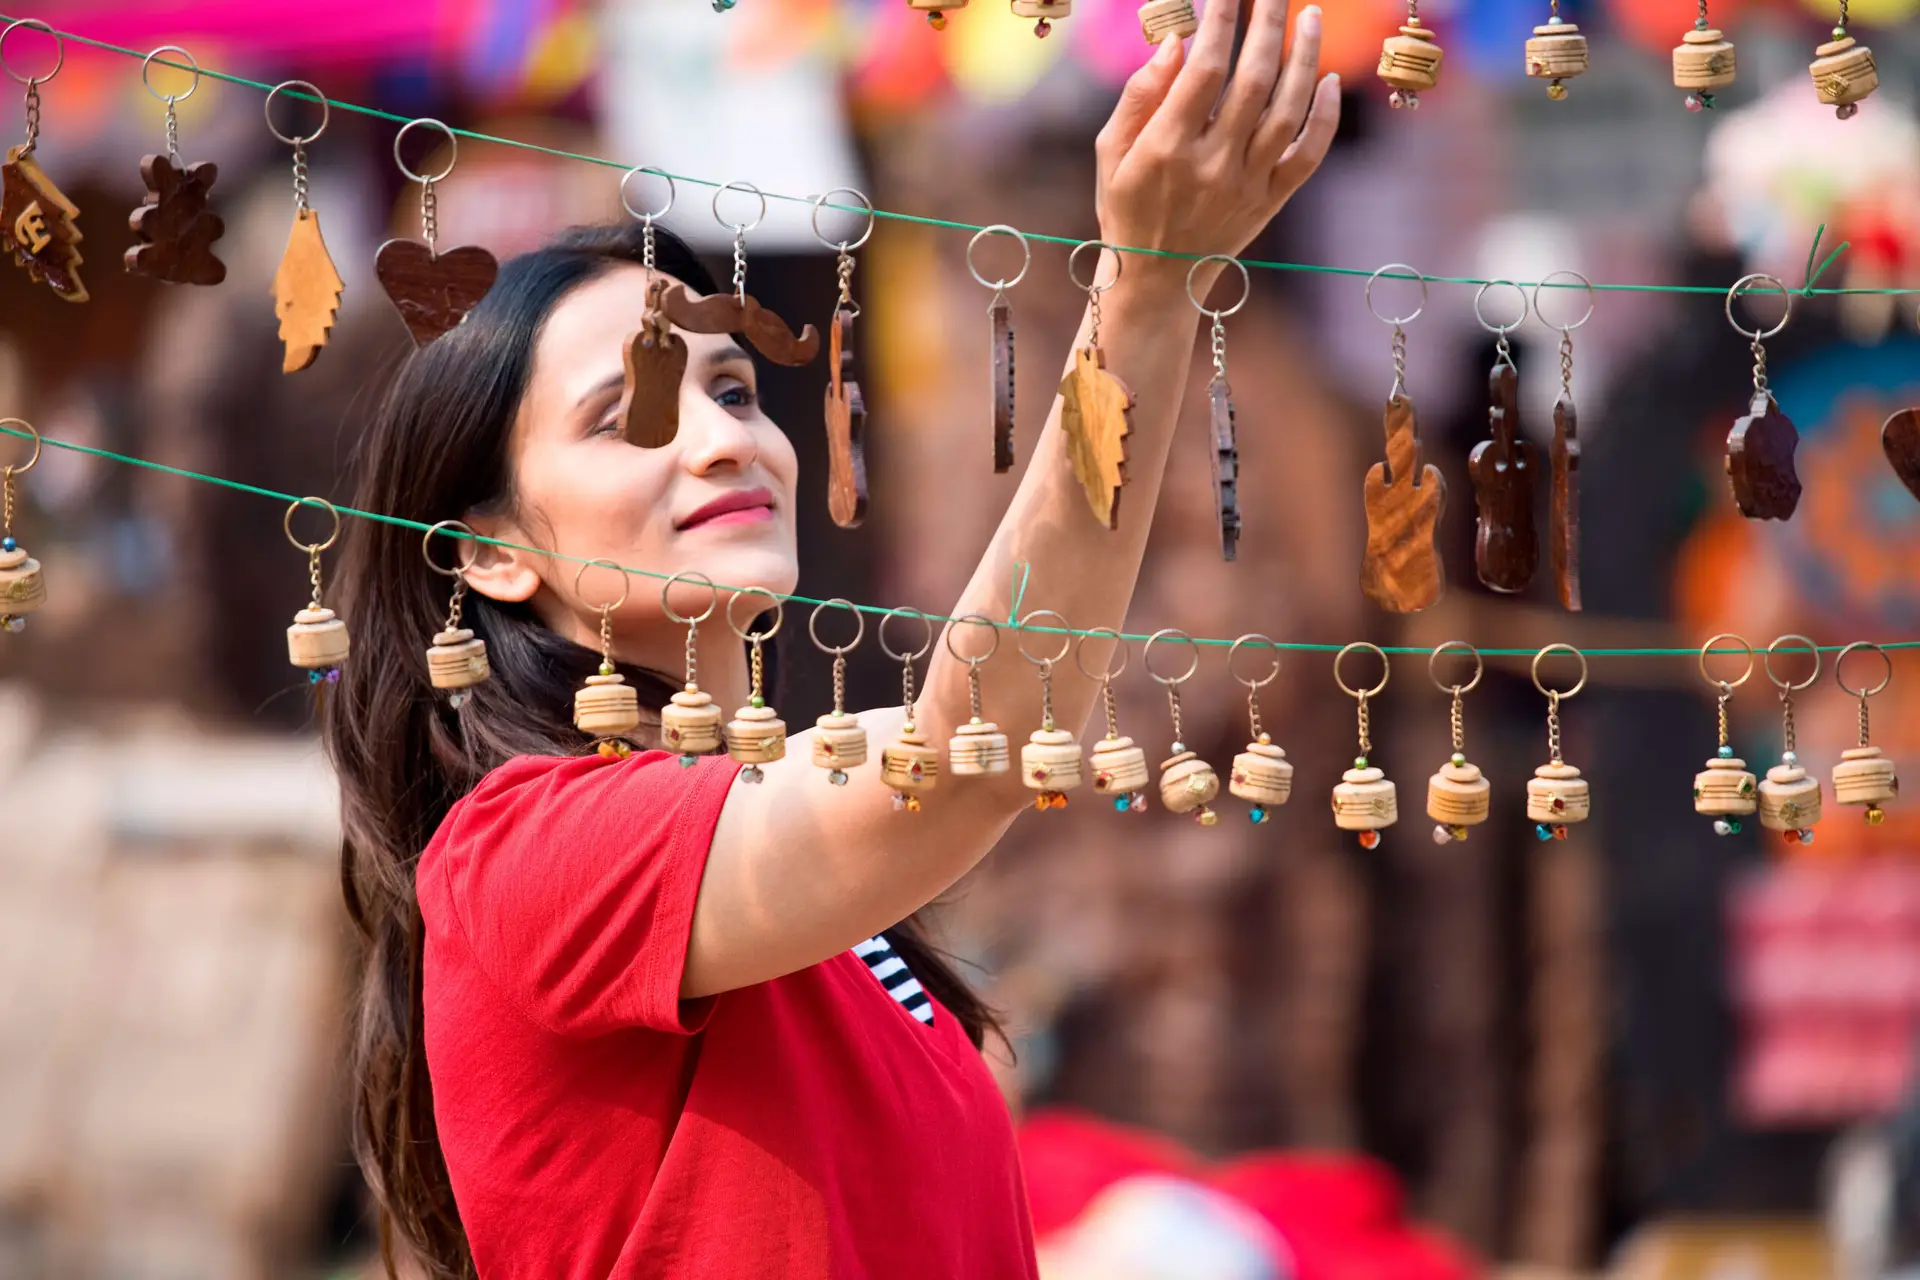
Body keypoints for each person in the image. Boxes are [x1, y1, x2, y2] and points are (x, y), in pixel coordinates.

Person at [325, 3, 1340, 1276]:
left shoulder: (798, 859)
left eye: (734, 386)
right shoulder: (521, 851)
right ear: (489, 549)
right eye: (630, 408)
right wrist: (1143, 290)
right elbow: (969, 749)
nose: (723, 435)